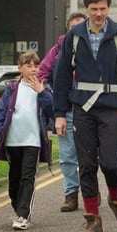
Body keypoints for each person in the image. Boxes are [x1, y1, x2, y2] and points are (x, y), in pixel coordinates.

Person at [53, 0, 117, 232]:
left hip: (112, 106)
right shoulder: (74, 35)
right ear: (87, 9)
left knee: (111, 162)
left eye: (103, 9)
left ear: (109, 8)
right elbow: (61, 78)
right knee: (87, 164)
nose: (99, 14)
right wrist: (59, 113)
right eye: (94, 9)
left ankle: (116, 199)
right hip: (82, 106)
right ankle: (92, 220)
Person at [0, 50, 53, 230]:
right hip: (13, 141)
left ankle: (23, 215)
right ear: (20, 68)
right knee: (14, 180)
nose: (33, 69)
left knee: (27, 177)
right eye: (29, 65)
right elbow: (1, 114)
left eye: (36, 65)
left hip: (33, 141)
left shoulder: (44, 88)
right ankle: (19, 209)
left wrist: (41, 92)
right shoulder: (11, 88)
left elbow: (52, 110)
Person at [38, 11, 86, 212]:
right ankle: (71, 194)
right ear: (68, 27)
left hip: (87, 109)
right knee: (67, 155)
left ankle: (91, 191)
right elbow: (42, 73)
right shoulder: (58, 50)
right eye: (72, 25)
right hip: (65, 109)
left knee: (88, 155)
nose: (76, 29)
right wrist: (51, 91)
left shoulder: (95, 48)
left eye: (80, 25)